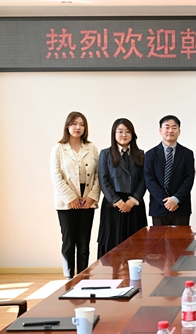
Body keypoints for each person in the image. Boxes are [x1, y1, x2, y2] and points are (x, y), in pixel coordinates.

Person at [50, 111, 100, 279]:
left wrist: (92, 197)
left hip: (87, 200)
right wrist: (71, 198)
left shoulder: (92, 148)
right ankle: (69, 277)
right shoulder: (58, 149)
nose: (78, 127)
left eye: (82, 124)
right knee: (69, 240)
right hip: (66, 202)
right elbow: (56, 176)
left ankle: (84, 276)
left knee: (84, 242)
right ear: (67, 126)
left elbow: (99, 175)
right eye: (74, 124)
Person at [97, 118, 147, 258]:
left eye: (128, 131)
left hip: (134, 204)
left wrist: (133, 200)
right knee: (112, 244)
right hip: (113, 205)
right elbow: (103, 180)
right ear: (114, 134)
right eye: (120, 131)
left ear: (133, 134)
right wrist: (117, 201)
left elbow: (144, 180)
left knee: (136, 245)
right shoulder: (105, 154)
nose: (124, 135)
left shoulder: (141, 154)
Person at [144, 115, 195, 226]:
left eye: (174, 127)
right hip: (159, 207)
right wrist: (166, 201)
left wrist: (176, 199)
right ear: (160, 131)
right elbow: (149, 180)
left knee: (182, 238)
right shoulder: (150, 154)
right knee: (159, 238)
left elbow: (189, 179)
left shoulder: (187, 154)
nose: (170, 130)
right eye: (167, 127)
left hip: (181, 206)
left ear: (179, 131)